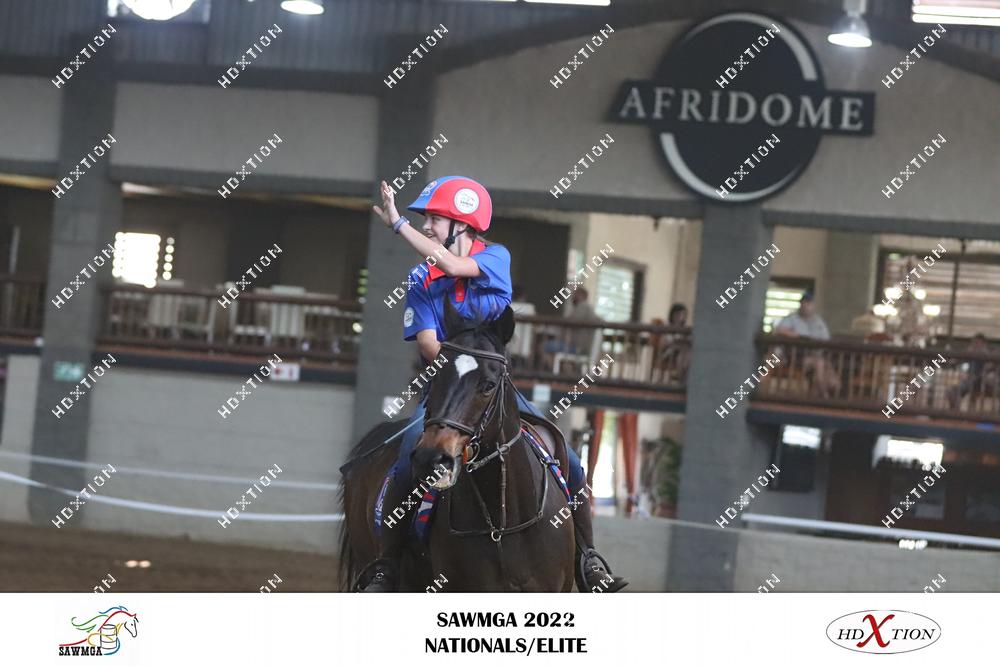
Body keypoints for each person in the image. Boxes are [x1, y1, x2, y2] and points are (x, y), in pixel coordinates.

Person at [360, 175, 626, 593]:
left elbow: (453, 266)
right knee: (408, 459)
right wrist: (463, 364)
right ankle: (387, 565)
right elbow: (428, 343)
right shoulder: (419, 279)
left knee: (569, 457)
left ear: (462, 224)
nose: (427, 225)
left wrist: (398, 224)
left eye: (434, 218)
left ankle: (588, 558)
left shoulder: (495, 257)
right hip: (448, 388)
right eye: (424, 219)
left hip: (493, 388)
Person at [775, 290, 840, 398]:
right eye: (803, 303)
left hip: (816, 355)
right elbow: (779, 330)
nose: (805, 305)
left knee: (830, 376)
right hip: (796, 357)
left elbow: (826, 339)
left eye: (808, 303)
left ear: (813, 305)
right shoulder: (792, 318)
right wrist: (795, 335)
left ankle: (815, 397)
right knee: (819, 364)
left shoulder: (818, 321)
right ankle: (825, 397)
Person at [948, 334, 995, 409]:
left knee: (962, 389)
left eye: (978, 343)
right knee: (951, 391)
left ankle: (958, 410)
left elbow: (990, 367)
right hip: (971, 382)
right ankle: (956, 410)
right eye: (974, 343)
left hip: (982, 382)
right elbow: (958, 362)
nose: (976, 345)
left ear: (984, 344)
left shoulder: (987, 355)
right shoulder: (971, 354)